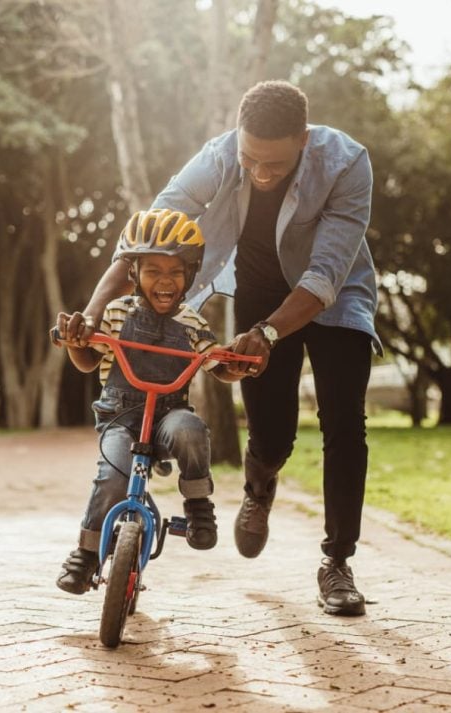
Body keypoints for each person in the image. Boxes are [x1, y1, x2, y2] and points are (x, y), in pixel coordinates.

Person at [69, 80, 380, 616]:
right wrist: (94, 309)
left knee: (345, 424)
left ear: (303, 140)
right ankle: (260, 484)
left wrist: (269, 335)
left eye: (274, 165)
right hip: (260, 290)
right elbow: (150, 232)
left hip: (335, 296)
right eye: (250, 159)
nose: (260, 173)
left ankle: (337, 562)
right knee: (273, 432)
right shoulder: (218, 156)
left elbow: (325, 273)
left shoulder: (348, 163)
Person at [54, 209, 245, 595]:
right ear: (134, 274)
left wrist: (236, 365)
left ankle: (197, 505)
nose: (165, 280)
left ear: (190, 275)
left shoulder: (192, 323)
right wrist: (76, 343)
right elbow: (89, 360)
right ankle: (86, 553)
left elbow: (215, 364)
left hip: (168, 416)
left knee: (191, 431)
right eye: (153, 270)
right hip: (120, 417)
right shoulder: (114, 312)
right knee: (113, 476)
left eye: (175, 272)